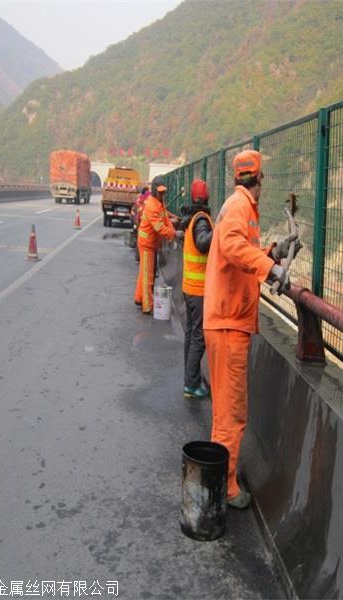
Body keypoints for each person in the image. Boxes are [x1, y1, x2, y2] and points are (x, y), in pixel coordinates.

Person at [203, 150, 300, 508]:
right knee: (233, 413)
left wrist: (272, 252)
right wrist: (271, 269)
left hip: (225, 319)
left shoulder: (237, 205)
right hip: (229, 323)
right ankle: (226, 488)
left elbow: (242, 251)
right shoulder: (241, 206)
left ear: (237, 177)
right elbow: (232, 246)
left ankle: (215, 478)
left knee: (223, 412)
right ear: (260, 178)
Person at [181, 179, 213, 400]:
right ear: (207, 196)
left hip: (189, 288)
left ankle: (190, 377)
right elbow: (202, 243)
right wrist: (220, 231)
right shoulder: (201, 219)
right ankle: (191, 384)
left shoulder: (191, 218)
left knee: (191, 334)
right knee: (198, 337)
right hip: (198, 290)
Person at [134, 175, 182, 314]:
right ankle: (148, 306)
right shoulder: (152, 205)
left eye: (163, 192)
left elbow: (165, 218)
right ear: (154, 191)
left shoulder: (159, 203)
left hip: (151, 242)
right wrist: (174, 234)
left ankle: (139, 298)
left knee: (144, 273)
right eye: (160, 192)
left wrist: (173, 223)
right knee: (148, 276)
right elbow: (159, 227)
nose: (162, 195)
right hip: (147, 243)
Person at [132, 186, 150, 263]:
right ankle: (138, 258)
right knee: (140, 241)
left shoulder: (140, 200)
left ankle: (138, 258)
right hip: (140, 223)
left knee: (139, 241)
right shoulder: (142, 201)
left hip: (139, 223)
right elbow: (137, 214)